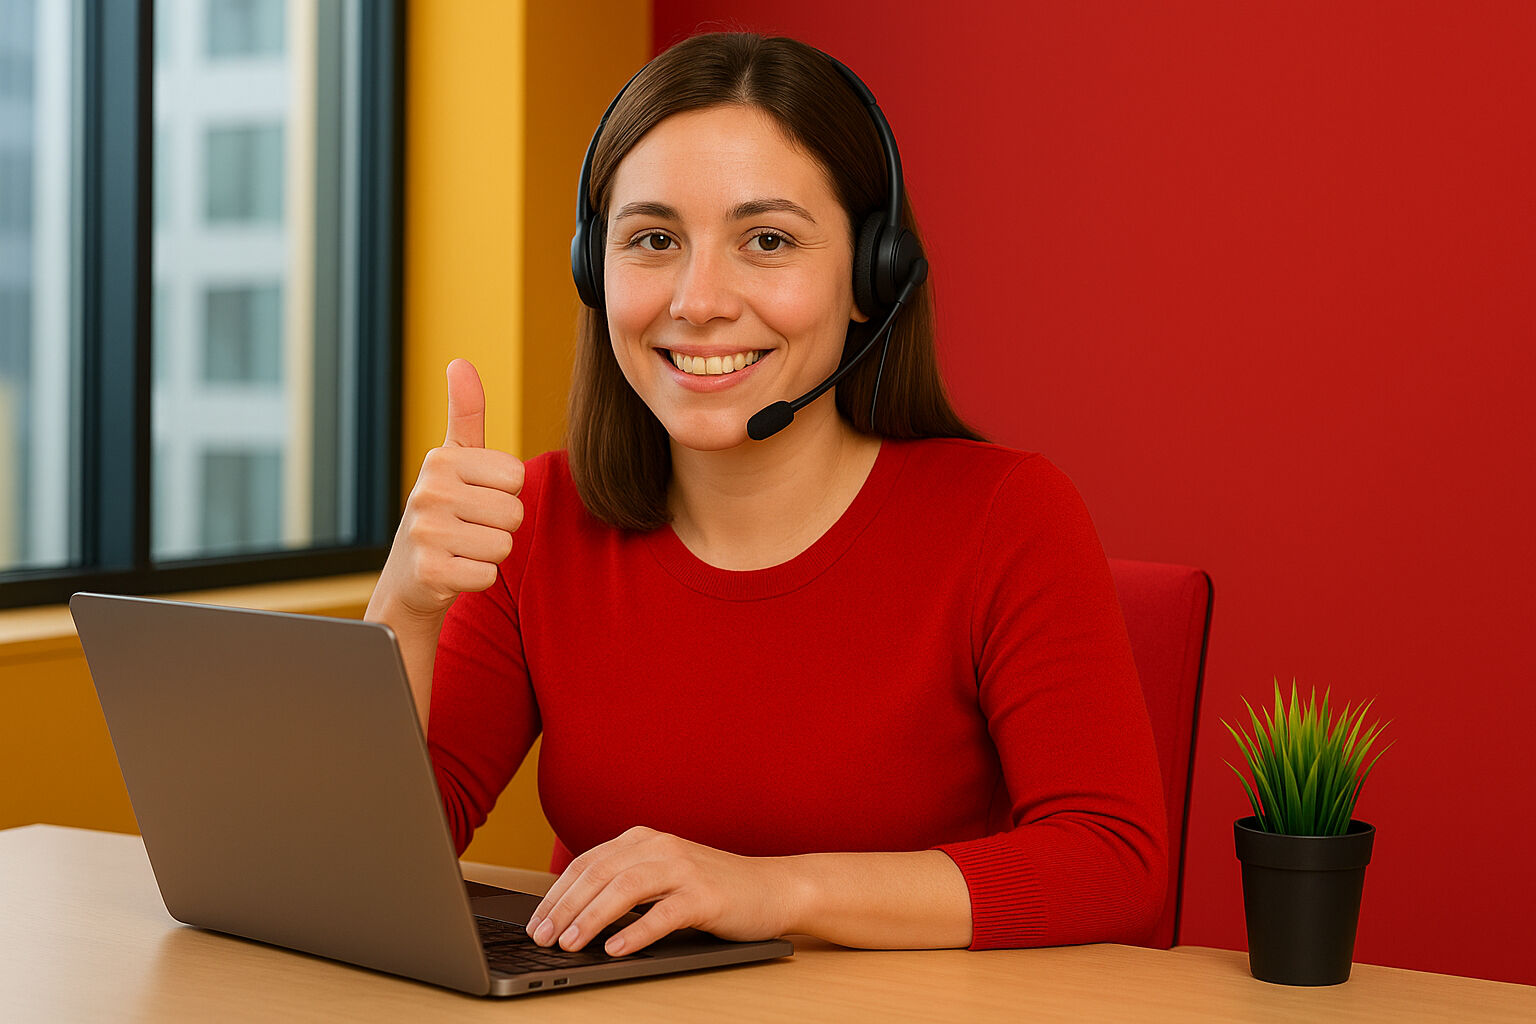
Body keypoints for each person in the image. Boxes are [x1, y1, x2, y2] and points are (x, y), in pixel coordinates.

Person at [365, 32, 1167, 959]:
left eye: (769, 240)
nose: (700, 300)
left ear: (873, 276)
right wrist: (406, 609)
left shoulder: (1006, 515)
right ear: (595, 269)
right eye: (654, 240)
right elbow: (360, 872)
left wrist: (771, 887)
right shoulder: (541, 521)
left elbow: (1113, 866)